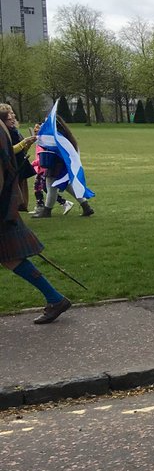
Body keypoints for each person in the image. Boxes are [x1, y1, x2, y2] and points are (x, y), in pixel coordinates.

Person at [1, 122, 71, 323]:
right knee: (10, 257)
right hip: (5, 203)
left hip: (3, 205)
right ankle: (55, 299)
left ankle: (55, 299)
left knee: (10, 256)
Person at [37, 118, 95, 217]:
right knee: (68, 186)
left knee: (51, 187)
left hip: (55, 164)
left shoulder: (57, 135)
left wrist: (39, 138)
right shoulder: (62, 134)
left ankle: (47, 211)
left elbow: (50, 146)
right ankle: (86, 207)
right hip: (61, 164)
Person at [0, 104, 34, 212]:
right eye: (9, 116)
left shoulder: (14, 131)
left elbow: (21, 151)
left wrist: (27, 145)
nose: (13, 117)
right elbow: (8, 151)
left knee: (22, 197)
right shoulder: (5, 133)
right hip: (9, 167)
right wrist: (23, 143)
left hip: (19, 165)